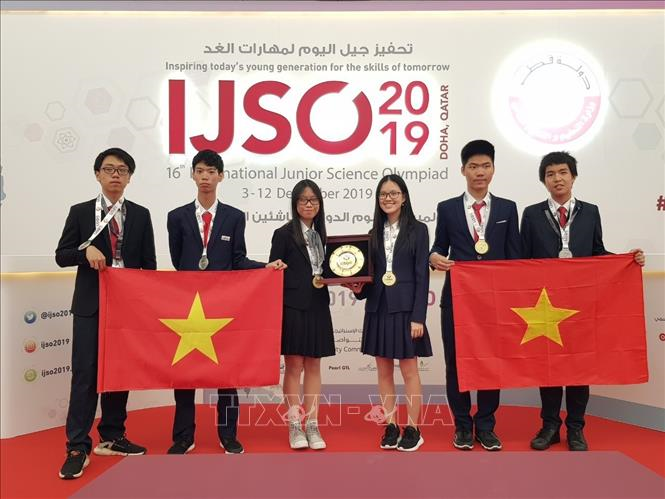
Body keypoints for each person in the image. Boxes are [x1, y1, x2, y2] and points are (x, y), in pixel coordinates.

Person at [520, 151, 646, 452]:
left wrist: (627, 260)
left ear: (573, 176)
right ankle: (550, 426)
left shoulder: (590, 212)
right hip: (545, 305)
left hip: (581, 305)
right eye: (550, 174)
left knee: (579, 366)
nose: (557, 178)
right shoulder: (532, 214)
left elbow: (598, 252)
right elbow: (523, 261)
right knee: (549, 367)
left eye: (563, 172)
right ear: (544, 181)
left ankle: (576, 428)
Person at [166, 149, 285, 455]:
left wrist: (265, 267)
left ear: (221, 176)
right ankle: (183, 436)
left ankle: (228, 434)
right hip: (189, 305)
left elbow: (238, 260)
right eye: (200, 171)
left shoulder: (234, 217)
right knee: (184, 371)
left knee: (227, 370)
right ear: (192, 175)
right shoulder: (176, 217)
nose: (205, 177)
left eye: (211, 172)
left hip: (224, 305)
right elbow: (179, 262)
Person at [55, 148, 156, 479]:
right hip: (91, 305)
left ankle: (112, 436)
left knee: (118, 373)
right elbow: (61, 255)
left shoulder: (141, 215)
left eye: (122, 170)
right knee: (85, 374)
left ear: (129, 177)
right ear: (97, 174)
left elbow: (149, 266)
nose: (115, 175)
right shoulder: (81, 212)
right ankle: (77, 447)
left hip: (127, 308)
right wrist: (85, 251)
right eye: (109, 169)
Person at [429, 139, 520, 451]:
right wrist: (434, 257)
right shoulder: (448, 208)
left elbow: (515, 257)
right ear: (463, 170)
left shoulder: (508, 208)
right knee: (456, 362)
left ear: (493, 169)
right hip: (458, 298)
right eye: (473, 166)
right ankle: (462, 426)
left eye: (485, 166)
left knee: (491, 362)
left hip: (494, 302)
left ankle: (486, 425)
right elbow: (438, 246)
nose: (479, 172)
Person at [348, 174, 432, 452]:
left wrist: (418, 316)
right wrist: (357, 287)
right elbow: (368, 277)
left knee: (409, 371)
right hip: (378, 307)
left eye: (394, 193)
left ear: (404, 197)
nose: (388, 198)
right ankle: (391, 425)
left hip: (406, 310)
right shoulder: (372, 233)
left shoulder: (419, 230)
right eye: (383, 194)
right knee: (384, 372)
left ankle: (413, 428)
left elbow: (422, 276)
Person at [269, 180, 334, 450]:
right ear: (295, 203)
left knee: (314, 365)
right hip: (292, 306)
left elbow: (326, 271)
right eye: (304, 200)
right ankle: (295, 424)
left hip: (318, 304)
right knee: (294, 366)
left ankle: (313, 424)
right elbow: (274, 272)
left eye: (314, 200)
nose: (309, 204)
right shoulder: (283, 234)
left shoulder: (322, 235)